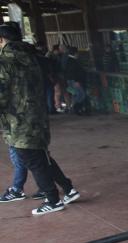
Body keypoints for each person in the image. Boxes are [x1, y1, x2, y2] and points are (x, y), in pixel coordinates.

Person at [0, 23, 80, 215]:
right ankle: (68, 190)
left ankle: (53, 200)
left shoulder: (5, 62)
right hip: (37, 116)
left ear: (2, 40)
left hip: (18, 121)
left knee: (32, 159)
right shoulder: (32, 57)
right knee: (42, 157)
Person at [63, 46, 87, 115]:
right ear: (75, 53)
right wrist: (76, 81)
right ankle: (75, 108)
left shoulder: (69, 60)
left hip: (71, 80)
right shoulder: (72, 61)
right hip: (74, 81)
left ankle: (76, 108)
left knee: (76, 94)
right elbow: (74, 72)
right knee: (81, 95)